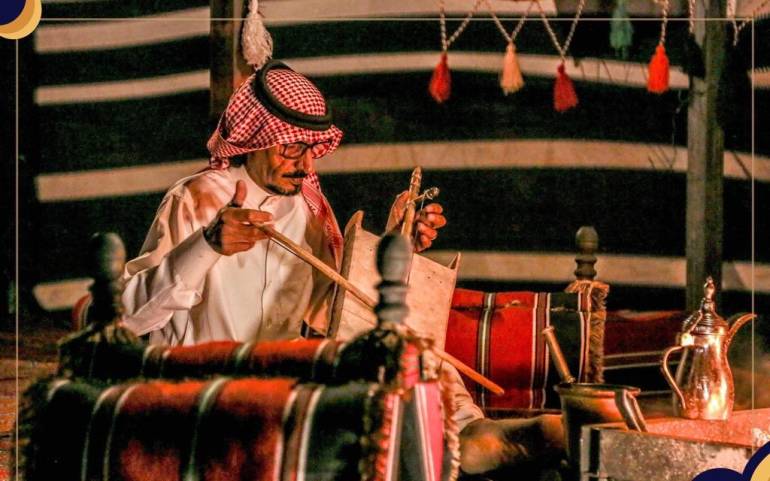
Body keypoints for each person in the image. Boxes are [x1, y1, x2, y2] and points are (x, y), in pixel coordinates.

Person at [120, 60, 562, 477]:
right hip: (203, 391)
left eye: (313, 149)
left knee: (402, 344)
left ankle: (469, 433)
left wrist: (395, 245)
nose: (307, 165)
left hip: (282, 388)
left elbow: (339, 315)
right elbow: (133, 316)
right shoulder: (196, 199)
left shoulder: (309, 212)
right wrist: (208, 246)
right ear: (255, 138)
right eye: (292, 147)